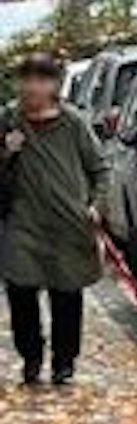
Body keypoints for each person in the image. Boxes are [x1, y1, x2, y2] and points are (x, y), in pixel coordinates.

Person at [2, 51, 108, 387]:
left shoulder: (73, 122)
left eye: (42, 79)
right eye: (27, 79)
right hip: (22, 222)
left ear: (55, 84)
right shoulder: (8, 120)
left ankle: (64, 362)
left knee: (66, 294)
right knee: (20, 291)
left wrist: (96, 205)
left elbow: (99, 168)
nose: (33, 87)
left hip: (67, 223)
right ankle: (31, 357)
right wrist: (7, 152)